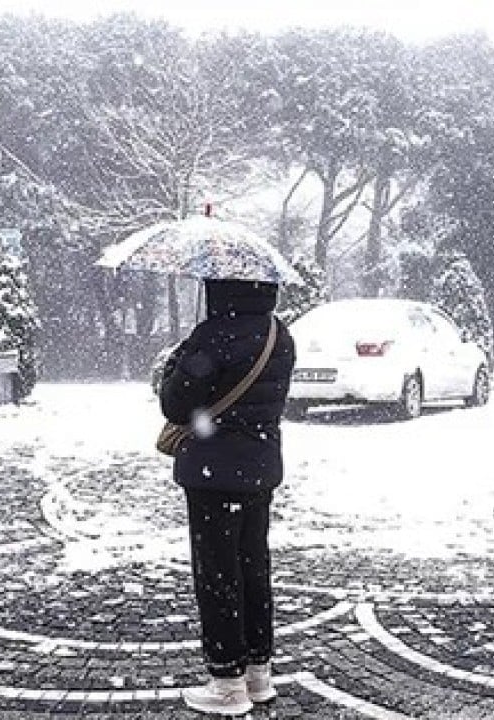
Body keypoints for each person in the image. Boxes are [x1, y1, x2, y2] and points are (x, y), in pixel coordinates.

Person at [158, 278, 296, 716]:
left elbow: (176, 406)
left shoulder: (212, 336)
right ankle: (259, 673)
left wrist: (178, 361)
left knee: (218, 574)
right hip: (260, 468)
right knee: (254, 568)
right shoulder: (280, 335)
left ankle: (226, 681)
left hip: (213, 473)